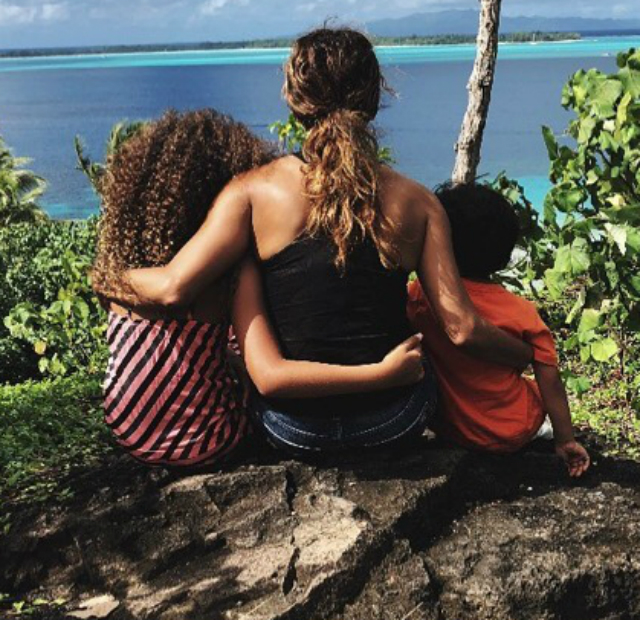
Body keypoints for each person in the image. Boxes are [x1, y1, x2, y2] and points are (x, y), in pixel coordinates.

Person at [114, 28, 533, 456]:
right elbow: (462, 329)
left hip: (291, 428)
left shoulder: (251, 193)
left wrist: (106, 279)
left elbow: (171, 289)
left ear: (295, 101)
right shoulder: (419, 203)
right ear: (372, 101)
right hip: (394, 420)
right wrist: (524, 354)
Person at [94, 109, 425, 467]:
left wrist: (102, 276)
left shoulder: (126, 279)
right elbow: (267, 372)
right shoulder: (224, 280)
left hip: (128, 433)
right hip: (209, 439)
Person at [407, 183, 590, 477]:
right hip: (511, 431)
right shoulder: (522, 313)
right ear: (504, 256)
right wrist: (566, 439)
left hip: (448, 426)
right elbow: (551, 381)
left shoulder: (419, 296)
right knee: (534, 386)